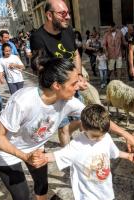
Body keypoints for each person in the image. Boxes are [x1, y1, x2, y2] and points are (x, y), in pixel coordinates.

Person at [0, 56, 134, 200]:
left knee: (41, 182)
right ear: (56, 85)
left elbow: (100, 119)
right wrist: (24, 156)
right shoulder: (23, 101)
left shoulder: (69, 101)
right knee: (21, 197)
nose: (79, 87)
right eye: (74, 83)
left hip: (35, 146)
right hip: (6, 151)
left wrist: (126, 135)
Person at [30, 104, 134, 200]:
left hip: (105, 188)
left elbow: (114, 152)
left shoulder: (106, 137)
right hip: (89, 194)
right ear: (82, 127)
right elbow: (59, 155)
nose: (99, 138)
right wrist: (44, 158)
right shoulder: (77, 145)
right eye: (95, 136)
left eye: (102, 135)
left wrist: (128, 156)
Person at [30, 0, 83, 151]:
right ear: (49, 15)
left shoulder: (68, 31)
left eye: (68, 13)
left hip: (73, 86)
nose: (67, 17)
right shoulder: (37, 37)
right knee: (63, 128)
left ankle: (80, 147)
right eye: (62, 13)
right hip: (54, 92)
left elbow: (75, 55)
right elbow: (38, 68)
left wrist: (78, 76)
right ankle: (68, 156)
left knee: (83, 119)